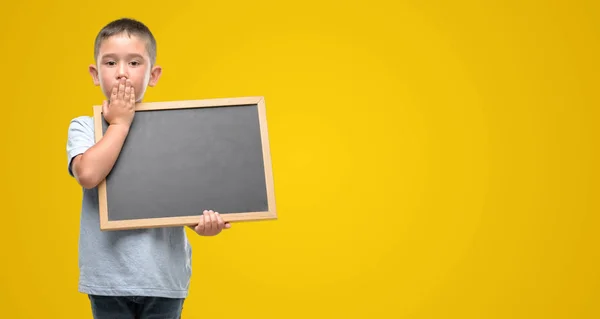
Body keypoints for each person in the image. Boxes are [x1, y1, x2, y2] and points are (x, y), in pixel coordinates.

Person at [66, 17, 230, 319]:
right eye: (111, 63)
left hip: (163, 278)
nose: (122, 74)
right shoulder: (85, 127)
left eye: (134, 63)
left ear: (153, 75)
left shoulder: (174, 130)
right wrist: (120, 123)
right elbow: (88, 175)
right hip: (108, 281)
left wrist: (204, 224)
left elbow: (183, 197)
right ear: (95, 73)